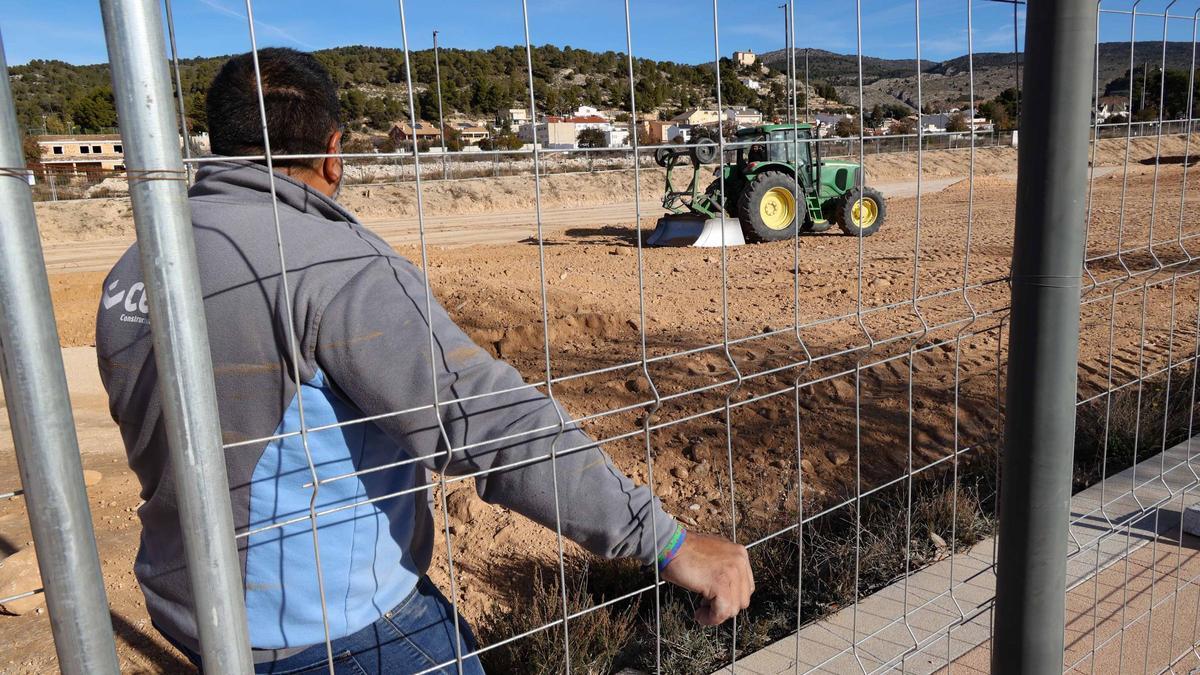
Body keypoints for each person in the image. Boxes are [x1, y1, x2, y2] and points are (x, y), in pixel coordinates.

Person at [95, 48, 753, 674]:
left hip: (198, 613)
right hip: (335, 629)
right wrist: (665, 540)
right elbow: (488, 423)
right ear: (334, 153)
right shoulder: (336, 265)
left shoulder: (136, 265)